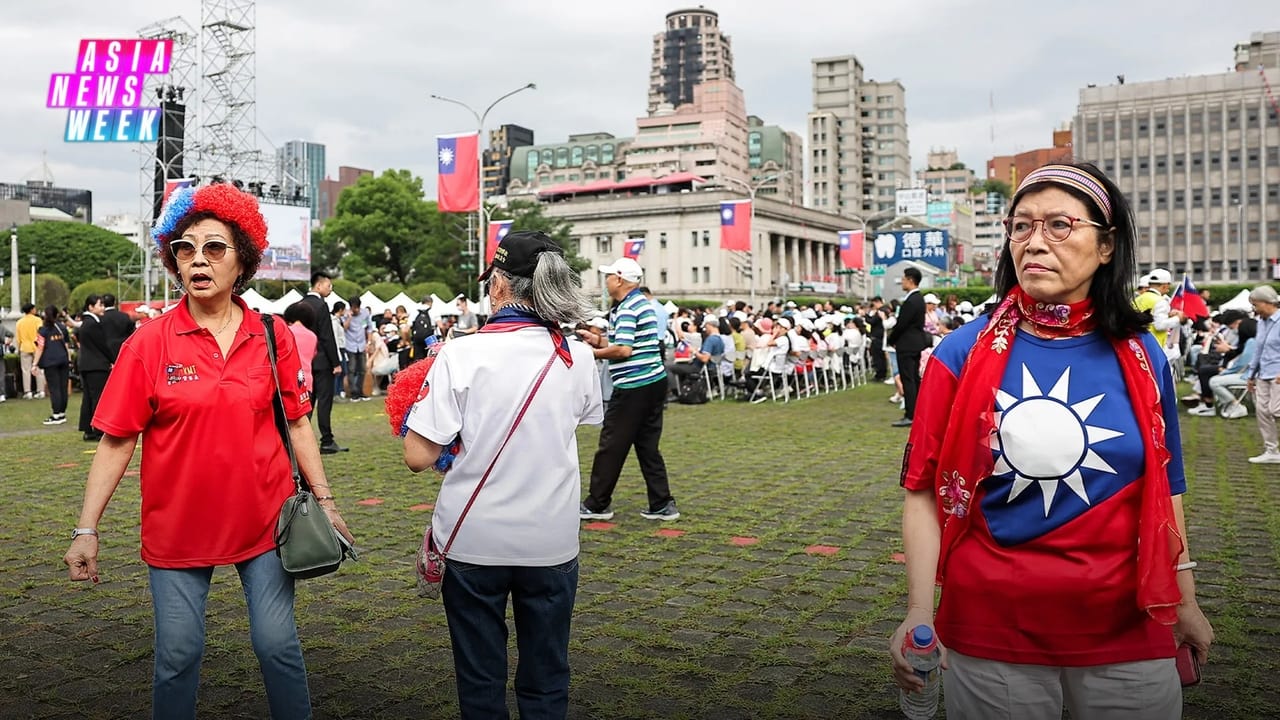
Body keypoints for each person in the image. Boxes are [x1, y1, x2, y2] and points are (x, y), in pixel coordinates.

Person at [891, 162, 1213, 719]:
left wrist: (1184, 600)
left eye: (1059, 225)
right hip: (992, 627)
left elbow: (1168, 484)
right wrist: (920, 610)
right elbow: (922, 491)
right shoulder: (959, 356)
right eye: (1021, 226)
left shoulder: (1143, 356)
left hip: (1127, 621)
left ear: (1107, 244)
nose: (1034, 242)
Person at [62, 183, 354, 720]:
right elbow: (117, 440)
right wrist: (87, 530)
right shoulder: (149, 343)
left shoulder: (272, 335)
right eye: (186, 248)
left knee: (277, 645)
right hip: (177, 525)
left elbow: (298, 423)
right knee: (178, 655)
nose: (198, 260)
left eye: (214, 247)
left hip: (266, 521)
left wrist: (326, 500)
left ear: (242, 258)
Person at [401, 230, 602, 719]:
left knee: (480, 680)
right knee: (547, 675)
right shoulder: (577, 356)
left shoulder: (461, 353)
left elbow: (417, 455)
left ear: (498, 287)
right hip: (551, 540)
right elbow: (584, 418)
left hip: (474, 539)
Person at [579, 256, 679, 521]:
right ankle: (661, 503)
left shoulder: (626, 308)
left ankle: (597, 504)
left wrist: (594, 352)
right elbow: (625, 340)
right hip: (653, 381)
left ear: (620, 279)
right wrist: (598, 339)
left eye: (609, 276)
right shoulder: (637, 304)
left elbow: (624, 349)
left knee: (612, 444)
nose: (607, 281)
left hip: (634, 385)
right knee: (647, 445)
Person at [302, 272, 346, 453]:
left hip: (304, 361)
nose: (330, 289)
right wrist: (336, 362)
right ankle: (326, 440)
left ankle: (301, 440)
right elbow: (327, 337)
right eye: (329, 285)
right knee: (325, 401)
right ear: (319, 286)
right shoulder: (321, 306)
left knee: (306, 403)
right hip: (322, 361)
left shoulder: (299, 304)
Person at [887, 268, 928, 427]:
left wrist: (892, 338)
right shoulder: (918, 299)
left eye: (903, 279)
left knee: (908, 379)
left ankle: (910, 414)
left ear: (910, 280)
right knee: (914, 379)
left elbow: (901, 324)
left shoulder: (911, 301)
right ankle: (916, 411)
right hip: (915, 343)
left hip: (907, 344)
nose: (902, 282)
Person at [1244, 284, 1280, 463]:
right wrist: (1251, 376)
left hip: (1278, 375)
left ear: (1267, 303)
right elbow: (1258, 351)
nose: (1254, 309)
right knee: (1262, 412)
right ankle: (1271, 451)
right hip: (1263, 374)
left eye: (1256, 304)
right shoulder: (1262, 323)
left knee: (1276, 409)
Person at [75, 294, 110, 441]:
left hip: (88, 364)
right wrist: (113, 359)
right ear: (90, 307)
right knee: (97, 398)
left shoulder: (87, 322)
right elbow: (102, 345)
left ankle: (88, 428)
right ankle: (97, 429)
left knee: (89, 398)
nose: (102, 308)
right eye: (99, 305)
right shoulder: (92, 324)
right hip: (96, 365)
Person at [32, 305, 71, 425]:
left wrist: (35, 364)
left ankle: (56, 414)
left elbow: (40, 347)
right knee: (63, 387)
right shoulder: (62, 328)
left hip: (50, 362)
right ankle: (62, 413)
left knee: (54, 388)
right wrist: (69, 359)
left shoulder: (42, 330)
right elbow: (66, 345)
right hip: (63, 360)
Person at [284, 301, 318, 402]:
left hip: (287, 383)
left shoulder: (286, 332)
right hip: (306, 382)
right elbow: (312, 356)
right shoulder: (312, 336)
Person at [342, 297, 373, 402]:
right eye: (353, 308)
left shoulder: (365, 313)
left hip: (362, 345)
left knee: (362, 370)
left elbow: (369, 328)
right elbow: (344, 328)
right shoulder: (345, 314)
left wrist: (368, 342)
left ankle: (360, 391)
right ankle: (353, 393)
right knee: (351, 369)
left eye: (357, 308)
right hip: (350, 345)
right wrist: (349, 318)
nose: (355, 310)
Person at [16, 302, 45, 399]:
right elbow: (40, 332)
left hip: (24, 347)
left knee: (26, 370)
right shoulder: (37, 320)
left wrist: (18, 348)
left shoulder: (19, 322)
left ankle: (28, 391)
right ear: (31, 310)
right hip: (36, 347)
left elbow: (18, 338)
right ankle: (41, 390)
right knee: (38, 369)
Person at [100, 293, 135, 361]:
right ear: (114, 302)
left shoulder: (100, 318)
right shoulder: (124, 316)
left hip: (105, 351)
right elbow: (131, 332)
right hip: (122, 349)